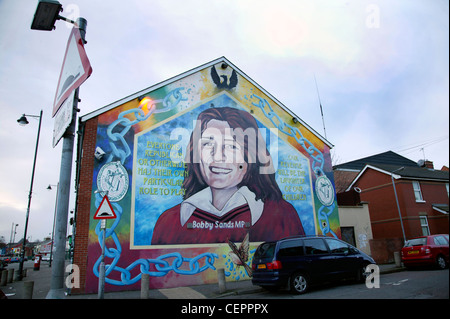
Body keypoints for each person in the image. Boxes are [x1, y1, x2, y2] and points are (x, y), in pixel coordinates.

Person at [151, 107, 304, 245]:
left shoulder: (280, 215)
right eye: (208, 144)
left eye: (231, 146)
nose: (217, 156)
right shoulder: (171, 221)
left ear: (250, 155)